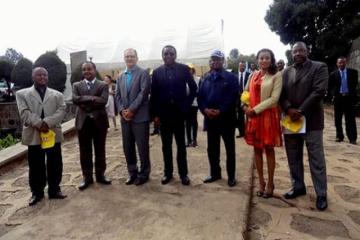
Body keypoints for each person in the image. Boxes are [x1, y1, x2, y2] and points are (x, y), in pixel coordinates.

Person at [280, 42, 329, 210]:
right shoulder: (285, 72)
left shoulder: (319, 67)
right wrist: (288, 108)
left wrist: (300, 111)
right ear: (291, 54)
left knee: (316, 159)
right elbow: (281, 94)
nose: (298, 53)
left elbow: (318, 91)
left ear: (307, 51)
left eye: (301, 50)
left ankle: (321, 194)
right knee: (293, 157)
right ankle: (298, 186)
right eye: (295, 51)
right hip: (291, 121)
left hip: (312, 121)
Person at [16, 67, 67, 206]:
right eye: (39, 75)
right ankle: (37, 193)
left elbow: (62, 110)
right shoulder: (22, 94)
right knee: (35, 164)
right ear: (33, 77)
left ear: (48, 77)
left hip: (52, 133)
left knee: (55, 162)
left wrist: (47, 123)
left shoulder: (57, 94)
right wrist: (39, 124)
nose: (42, 77)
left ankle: (54, 189)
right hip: (34, 134)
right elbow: (24, 113)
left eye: (45, 75)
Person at [150, 45, 197, 185]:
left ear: (175, 55)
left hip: (179, 113)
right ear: (162, 56)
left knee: (181, 146)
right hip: (164, 115)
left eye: (171, 53)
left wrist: (186, 105)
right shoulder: (157, 72)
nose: (168, 56)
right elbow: (154, 95)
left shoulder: (183, 69)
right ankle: (168, 173)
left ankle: (183, 174)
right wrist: (155, 115)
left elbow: (194, 88)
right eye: (166, 54)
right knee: (166, 146)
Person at [242, 49, 282, 198]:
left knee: (269, 150)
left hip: (267, 117)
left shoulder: (276, 75)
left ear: (271, 60)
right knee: (257, 150)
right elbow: (245, 93)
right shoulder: (252, 75)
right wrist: (245, 107)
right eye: (261, 58)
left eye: (267, 58)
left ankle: (271, 183)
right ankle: (261, 182)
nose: (264, 60)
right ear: (257, 60)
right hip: (253, 117)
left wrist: (255, 110)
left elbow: (274, 98)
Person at [198, 50, 239, 187]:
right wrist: (204, 110)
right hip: (211, 119)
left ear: (223, 61)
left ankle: (231, 176)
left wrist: (221, 110)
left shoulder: (231, 77)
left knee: (230, 149)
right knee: (212, 149)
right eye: (213, 59)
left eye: (218, 59)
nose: (215, 61)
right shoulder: (205, 77)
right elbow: (200, 97)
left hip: (226, 119)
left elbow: (233, 98)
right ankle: (215, 173)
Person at [72, 61, 111, 190]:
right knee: (84, 151)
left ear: (94, 70)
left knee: (100, 149)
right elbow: (75, 99)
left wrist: (85, 99)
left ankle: (100, 175)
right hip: (83, 122)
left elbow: (103, 101)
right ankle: (87, 177)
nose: (86, 71)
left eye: (89, 69)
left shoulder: (103, 85)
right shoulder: (76, 85)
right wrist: (93, 98)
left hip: (99, 122)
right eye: (84, 69)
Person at [115, 48, 151, 185]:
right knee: (127, 146)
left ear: (136, 58)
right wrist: (122, 111)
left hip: (139, 117)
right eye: (127, 56)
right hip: (125, 118)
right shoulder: (120, 76)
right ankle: (132, 172)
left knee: (142, 147)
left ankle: (144, 173)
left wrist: (131, 110)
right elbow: (117, 95)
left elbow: (143, 93)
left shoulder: (143, 73)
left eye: (131, 56)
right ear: (124, 58)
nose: (129, 58)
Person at [329, 57, 358, 144]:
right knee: (338, 119)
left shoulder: (353, 72)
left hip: (349, 99)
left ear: (346, 63)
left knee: (350, 119)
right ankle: (339, 136)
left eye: (343, 62)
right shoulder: (333, 74)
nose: (341, 64)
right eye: (340, 63)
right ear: (337, 64)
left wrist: (353, 96)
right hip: (338, 99)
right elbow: (330, 87)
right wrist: (333, 95)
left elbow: (354, 84)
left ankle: (352, 138)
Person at [185, 64, 200, 147]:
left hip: (194, 103)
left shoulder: (197, 79)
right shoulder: (184, 79)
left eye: (190, 69)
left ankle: (194, 139)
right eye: (188, 69)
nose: (189, 70)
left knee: (194, 121)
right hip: (186, 104)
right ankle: (189, 140)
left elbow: (198, 90)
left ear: (193, 70)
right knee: (187, 122)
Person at [236, 61, 251, 138]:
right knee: (240, 117)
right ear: (238, 66)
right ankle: (242, 133)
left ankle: (249, 133)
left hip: (248, 99)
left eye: (243, 66)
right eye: (240, 66)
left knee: (249, 116)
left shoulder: (249, 75)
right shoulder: (235, 76)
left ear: (245, 67)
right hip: (238, 100)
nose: (242, 67)